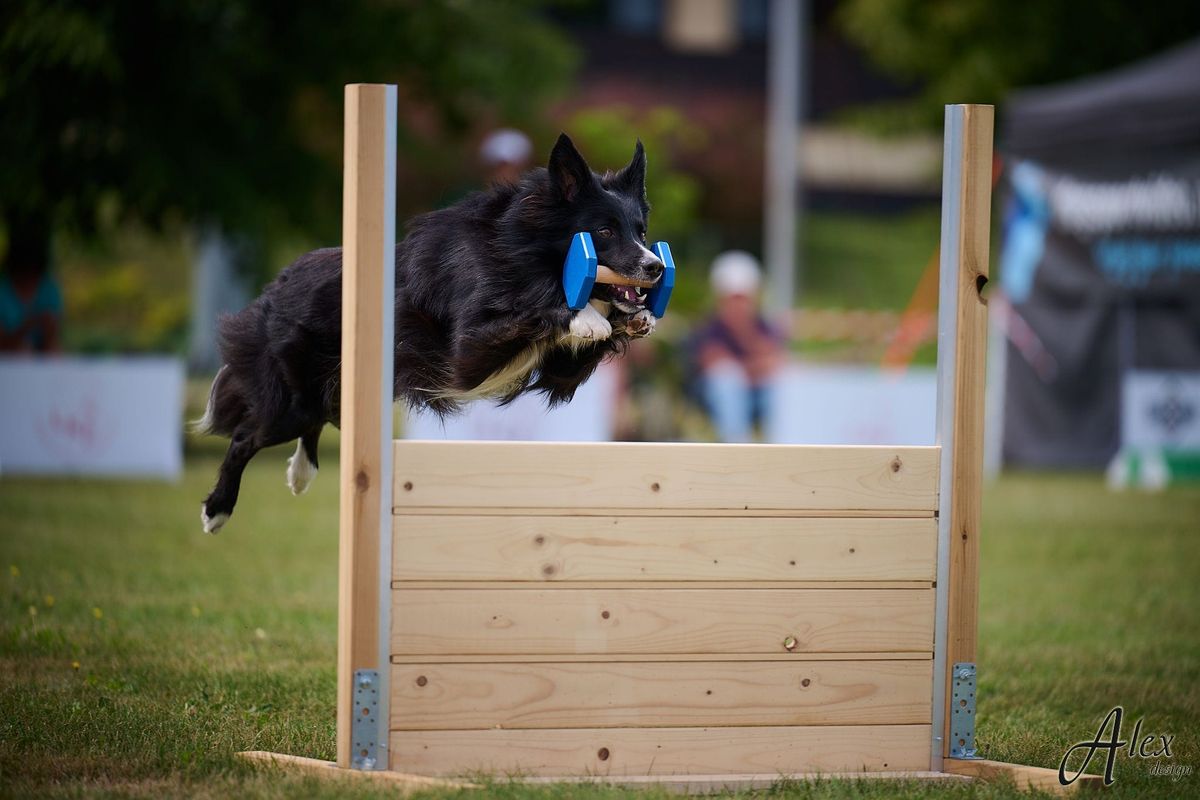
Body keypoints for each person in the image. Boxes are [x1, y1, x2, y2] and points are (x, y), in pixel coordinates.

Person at [690, 251, 785, 442]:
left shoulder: (764, 326)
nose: (738, 305)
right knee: (727, 380)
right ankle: (738, 446)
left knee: (783, 386)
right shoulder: (710, 329)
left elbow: (776, 362)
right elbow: (714, 363)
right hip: (716, 395)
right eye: (733, 299)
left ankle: (784, 443)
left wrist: (745, 331)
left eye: (742, 299)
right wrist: (755, 366)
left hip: (759, 394)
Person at [0, 235, 62, 353]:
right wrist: (28, 325)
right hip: (9, 351)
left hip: (42, 349)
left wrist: (49, 328)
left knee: (54, 349)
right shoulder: (3, 290)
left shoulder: (49, 288)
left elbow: (54, 336)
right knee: (22, 350)